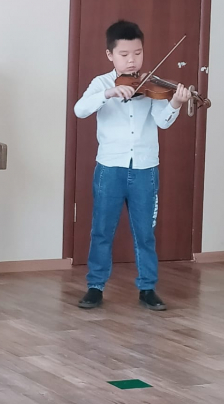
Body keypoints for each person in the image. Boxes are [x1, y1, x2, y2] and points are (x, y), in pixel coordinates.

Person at [75, 20, 191, 311]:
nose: (132, 60)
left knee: (145, 233)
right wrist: (109, 94)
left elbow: (163, 121)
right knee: (102, 230)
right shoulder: (102, 84)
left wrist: (176, 104)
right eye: (124, 54)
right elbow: (80, 110)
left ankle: (147, 288)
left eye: (137, 53)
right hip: (109, 168)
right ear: (110, 55)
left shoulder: (151, 84)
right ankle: (95, 286)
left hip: (145, 169)